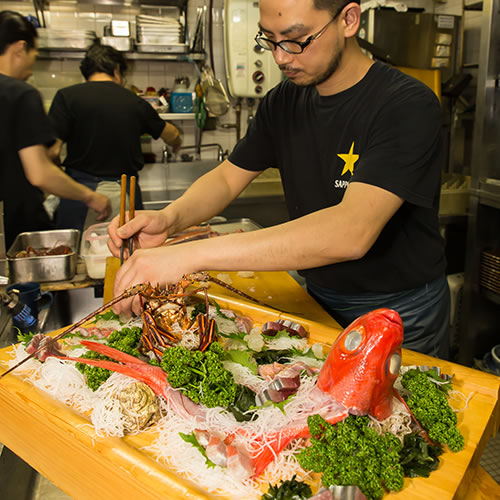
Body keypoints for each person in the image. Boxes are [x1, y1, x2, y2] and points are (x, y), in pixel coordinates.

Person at [108, 0, 450, 358]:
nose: (281, 58)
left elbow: (351, 232)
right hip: (317, 294)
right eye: (269, 40)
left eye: (296, 39)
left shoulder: (405, 104)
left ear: (348, 20)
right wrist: (169, 219)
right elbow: (227, 178)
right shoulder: (284, 101)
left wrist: (187, 256)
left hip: (399, 309)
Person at [0, 10, 111, 250]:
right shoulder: (20, 93)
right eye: (34, 54)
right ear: (19, 48)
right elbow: (39, 173)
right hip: (15, 228)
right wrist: (91, 197)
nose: (33, 63)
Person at [48, 42, 183, 233]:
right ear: (116, 70)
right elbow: (172, 134)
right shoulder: (134, 102)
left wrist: (55, 178)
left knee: (76, 254)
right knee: (126, 254)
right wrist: (176, 143)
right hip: (124, 194)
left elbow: (52, 151)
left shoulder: (66, 97)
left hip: (80, 195)